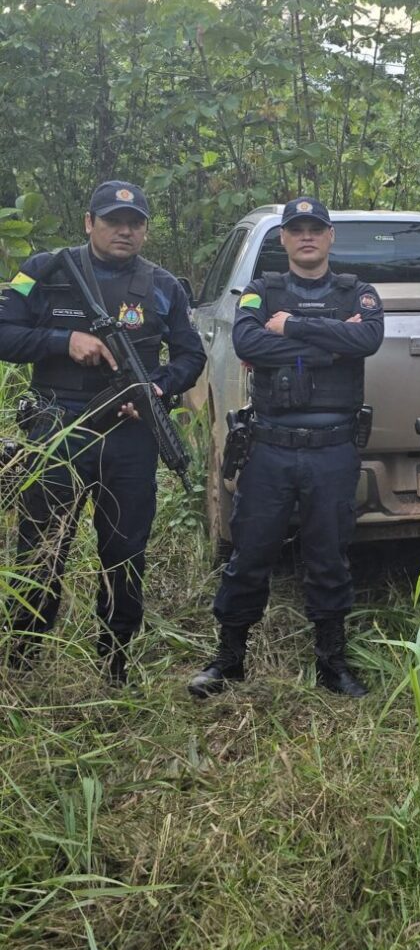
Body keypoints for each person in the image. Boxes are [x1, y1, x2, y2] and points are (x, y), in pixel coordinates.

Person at [0, 180, 206, 684]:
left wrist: (155, 390)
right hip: (58, 427)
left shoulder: (164, 286)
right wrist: (61, 340)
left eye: (135, 223)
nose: (125, 231)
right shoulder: (43, 272)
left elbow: (190, 356)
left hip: (128, 435)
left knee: (125, 549)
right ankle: (22, 664)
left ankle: (114, 663)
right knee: (41, 546)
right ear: (90, 223)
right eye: (114, 221)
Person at [189, 196, 383, 699]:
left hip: (332, 450)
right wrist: (332, 343)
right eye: (297, 230)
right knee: (249, 555)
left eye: (315, 228)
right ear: (284, 239)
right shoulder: (261, 290)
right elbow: (250, 345)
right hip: (270, 449)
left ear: (329, 237)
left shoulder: (356, 292)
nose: (307, 237)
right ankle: (228, 660)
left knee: (329, 558)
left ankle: (332, 664)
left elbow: (368, 342)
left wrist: (293, 327)